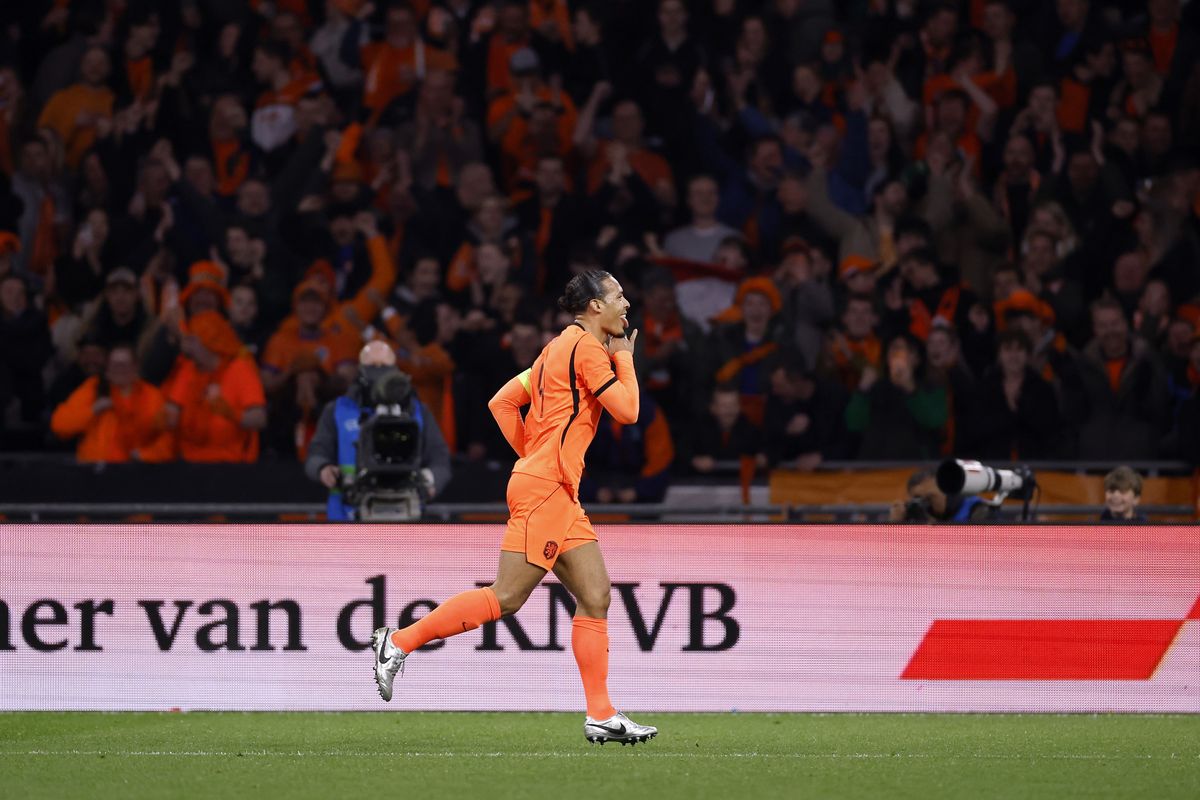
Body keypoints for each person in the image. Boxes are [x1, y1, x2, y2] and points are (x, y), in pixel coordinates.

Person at [369, 270, 658, 746]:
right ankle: (398, 641)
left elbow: (502, 402)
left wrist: (533, 457)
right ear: (594, 306)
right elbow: (628, 411)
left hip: (554, 488)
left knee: (596, 595)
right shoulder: (589, 350)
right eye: (618, 296)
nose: (626, 304)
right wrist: (625, 357)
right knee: (506, 597)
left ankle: (602, 714)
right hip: (547, 488)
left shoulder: (553, 351)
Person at [305, 341, 452, 521]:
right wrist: (323, 469)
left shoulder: (417, 412)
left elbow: (439, 458)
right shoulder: (338, 410)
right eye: (372, 365)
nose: (378, 371)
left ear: (395, 368)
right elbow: (316, 454)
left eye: (384, 365)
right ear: (360, 369)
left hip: (406, 512)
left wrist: (431, 482)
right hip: (348, 515)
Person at [889, 467, 994, 523]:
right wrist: (895, 525)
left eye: (930, 497)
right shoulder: (915, 513)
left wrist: (932, 526)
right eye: (918, 499)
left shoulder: (977, 509)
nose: (925, 504)